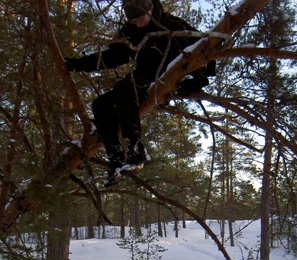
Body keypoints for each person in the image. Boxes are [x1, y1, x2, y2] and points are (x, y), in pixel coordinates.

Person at [65, 0, 215, 186]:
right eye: (133, 20)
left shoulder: (173, 25)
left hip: (164, 80)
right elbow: (111, 57)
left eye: (140, 18)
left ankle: (136, 150)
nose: (137, 23)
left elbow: (205, 49)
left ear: (150, 9)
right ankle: (116, 159)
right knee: (100, 104)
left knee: (124, 88)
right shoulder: (131, 30)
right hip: (142, 79)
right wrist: (77, 65)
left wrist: (197, 80)